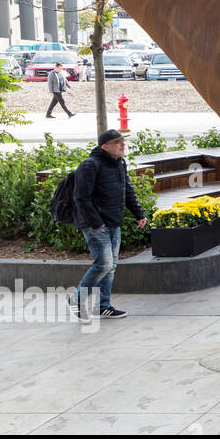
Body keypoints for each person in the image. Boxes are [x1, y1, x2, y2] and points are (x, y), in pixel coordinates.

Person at [67, 130, 148, 320]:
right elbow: (81, 197)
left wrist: (138, 213)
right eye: (117, 142)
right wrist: (97, 223)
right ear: (105, 146)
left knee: (110, 267)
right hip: (96, 225)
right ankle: (76, 299)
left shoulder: (119, 163)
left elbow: (127, 189)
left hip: (114, 222)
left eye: (123, 141)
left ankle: (103, 306)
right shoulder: (90, 165)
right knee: (103, 264)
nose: (122, 145)